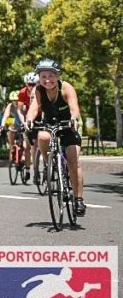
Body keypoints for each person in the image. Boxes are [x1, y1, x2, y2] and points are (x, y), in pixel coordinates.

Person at [24, 58, 86, 216]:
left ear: (57, 76)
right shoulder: (38, 90)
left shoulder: (66, 88)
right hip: (49, 123)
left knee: (73, 160)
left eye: (51, 76)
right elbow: (34, 108)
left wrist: (73, 120)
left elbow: (74, 108)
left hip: (68, 125)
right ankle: (48, 163)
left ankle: (78, 200)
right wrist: (29, 120)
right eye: (43, 76)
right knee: (43, 137)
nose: (47, 80)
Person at [2, 90, 30, 182]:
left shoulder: (24, 106)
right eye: (12, 100)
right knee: (10, 130)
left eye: (16, 100)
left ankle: (27, 168)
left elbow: (28, 116)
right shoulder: (10, 106)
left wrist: (27, 125)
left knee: (26, 146)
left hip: (26, 124)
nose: (14, 102)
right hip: (17, 124)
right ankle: (12, 146)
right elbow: (5, 116)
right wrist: (2, 126)